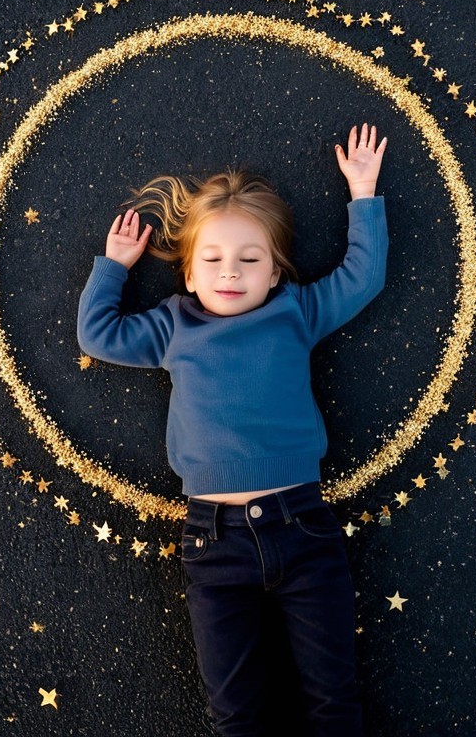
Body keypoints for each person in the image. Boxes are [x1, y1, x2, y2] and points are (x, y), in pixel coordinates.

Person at [77, 123, 388, 736]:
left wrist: (364, 193)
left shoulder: (295, 311)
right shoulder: (172, 326)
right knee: (236, 713)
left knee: (333, 698)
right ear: (189, 275)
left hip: (302, 528)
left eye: (250, 260)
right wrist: (114, 268)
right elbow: (98, 335)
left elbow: (362, 277)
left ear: (274, 274)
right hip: (214, 545)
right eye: (212, 260)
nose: (231, 273)